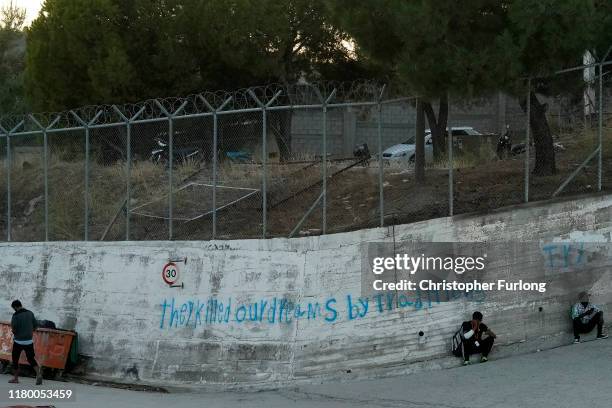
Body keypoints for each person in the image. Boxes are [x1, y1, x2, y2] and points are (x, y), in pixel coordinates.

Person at [9, 300, 42, 384]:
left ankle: (15, 379)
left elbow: (14, 329)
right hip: (29, 341)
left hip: (18, 342)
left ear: (15, 307)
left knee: (15, 360)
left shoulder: (15, 315)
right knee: (31, 359)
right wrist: (29, 332)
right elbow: (35, 326)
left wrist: (16, 332)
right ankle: (38, 374)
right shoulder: (30, 313)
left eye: (14, 308)